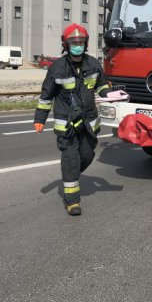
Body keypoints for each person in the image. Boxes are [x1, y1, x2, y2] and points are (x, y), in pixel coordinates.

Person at [33, 23, 111, 216]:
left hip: (88, 123)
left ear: (86, 43)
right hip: (66, 124)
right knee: (70, 159)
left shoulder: (93, 64)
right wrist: (40, 118)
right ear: (65, 45)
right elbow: (46, 95)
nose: (78, 45)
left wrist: (110, 94)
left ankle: (72, 171)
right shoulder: (57, 68)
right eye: (73, 42)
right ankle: (72, 201)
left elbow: (101, 86)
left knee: (87, 155)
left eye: (81, 42)